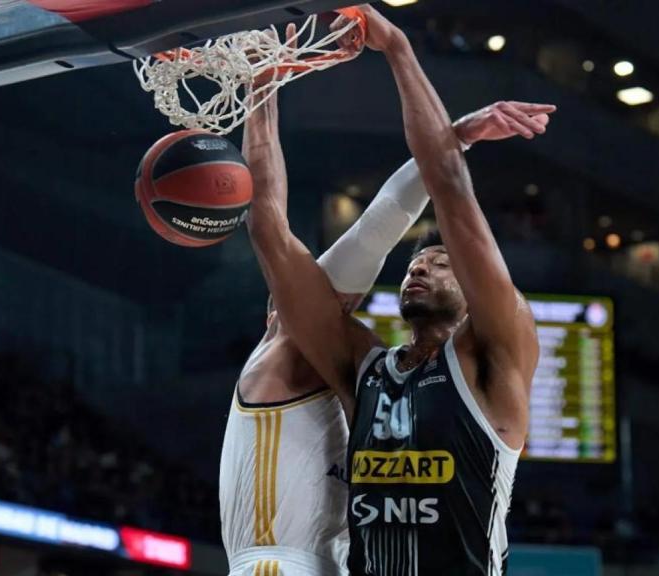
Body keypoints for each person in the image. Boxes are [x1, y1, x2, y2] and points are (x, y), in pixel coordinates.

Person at [221, 20, 553, 576]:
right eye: (415, 263)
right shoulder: (365, 370)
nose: (421, 267)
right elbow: (271, 236)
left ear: (473, 294)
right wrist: (262, 93)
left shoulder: (496, 356)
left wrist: (398, 49)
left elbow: (447, 180)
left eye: (441, 263)